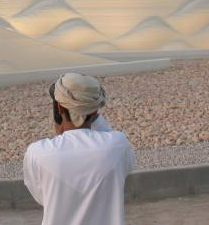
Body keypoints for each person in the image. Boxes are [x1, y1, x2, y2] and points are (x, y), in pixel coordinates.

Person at [23, 73, 135, 225]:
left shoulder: (38, 153)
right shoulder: (117, 145)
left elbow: (43, 198)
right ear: (95, 111)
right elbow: (125, 167)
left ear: (59, 107)